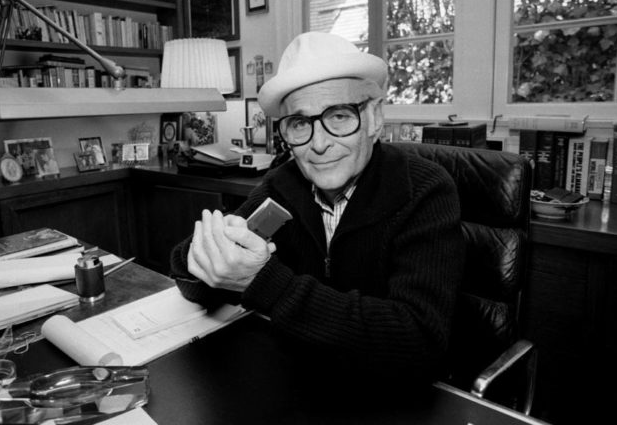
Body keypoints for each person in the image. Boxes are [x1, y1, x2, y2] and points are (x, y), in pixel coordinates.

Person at [170, 31, 465, 397]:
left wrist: (262, 282)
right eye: (299, 123)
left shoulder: (425, 190)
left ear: (374, 118)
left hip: (386, 399)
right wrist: (210, 255)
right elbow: (187, 274)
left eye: (339, 116)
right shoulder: (283, 184)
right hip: (298, 385)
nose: (319, 143)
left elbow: (419, 343)